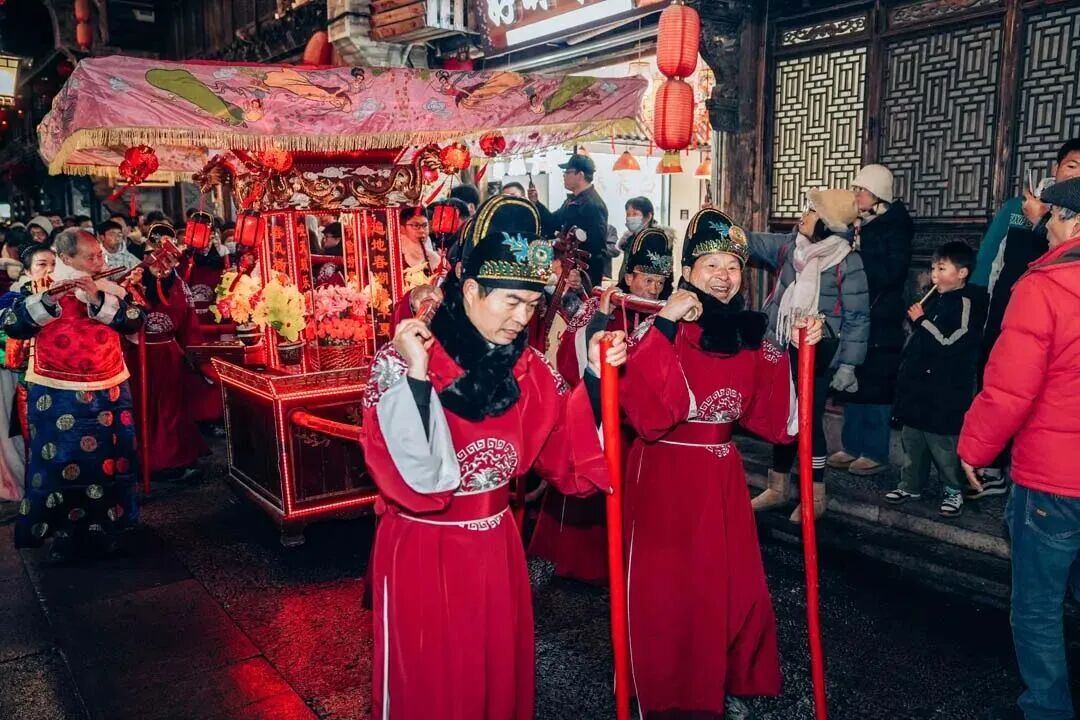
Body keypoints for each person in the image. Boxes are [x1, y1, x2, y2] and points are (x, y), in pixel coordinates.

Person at [360, 195, 625, 719]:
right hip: (425, 548)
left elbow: (565, 451)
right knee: (435, 681)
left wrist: (596, 379)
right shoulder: (406, 357)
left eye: (531, 304)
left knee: (495, 670)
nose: (522, 318)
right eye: (510, 301)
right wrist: (417, 377)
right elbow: (413, 475)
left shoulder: (530, 368)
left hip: (497, 544)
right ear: (471, 289)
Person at [620, 208, 823, 718]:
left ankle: (728, 678)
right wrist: (666, 322)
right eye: (711, 264)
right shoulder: (660, 326)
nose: (724, 275)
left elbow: (778, 416)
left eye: (733, 265)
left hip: (723, 474)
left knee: (733, 584)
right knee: (671, 588)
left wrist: (806, 346)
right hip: (666, 472)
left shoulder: (749, 334)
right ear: (688, 271)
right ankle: (666, 687)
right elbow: (646, 411)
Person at [959, 176, 1080, 720]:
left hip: (1053, 480)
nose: (1045, 224)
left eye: (1051, 216)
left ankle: (1048, 710)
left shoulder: (1044, 287)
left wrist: (974, 448)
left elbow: (1010, 389)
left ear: (1073, 223)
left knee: (1038, 608)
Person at [530, 226, 673, 585]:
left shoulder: (664, 313)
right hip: (601, 419)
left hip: (638, 427)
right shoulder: (600, 304)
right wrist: (601, 318)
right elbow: (569, 356)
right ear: (629, 276)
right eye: (646, 280)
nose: (653, 289)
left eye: (659, 282)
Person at [3, 229, 145, 560]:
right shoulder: (38, 287)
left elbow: (136, 321)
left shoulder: (112, 287)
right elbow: (12, 325)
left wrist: (97, 298)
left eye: (100, 255)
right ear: (67, 258)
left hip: (109, 387)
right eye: (90, 257)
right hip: (55, 390)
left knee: (111, 460)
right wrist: (48, 301)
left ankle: (106, 528)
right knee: (59, 463)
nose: (99, 261)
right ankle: (64, 534)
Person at [749, 189, 870, 521]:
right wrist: (728, 231)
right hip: (785, 343)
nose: (803, 216)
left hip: (821, 352)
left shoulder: (847, 261)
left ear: (828, 222)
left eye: (811, 211)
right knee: (783, 412)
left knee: (808, 420)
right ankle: (778, 486)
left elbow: (858, 317)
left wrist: (848, 365)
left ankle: (815, 494)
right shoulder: (793, 247)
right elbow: (756, 243)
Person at [968, 139, 1080, 499]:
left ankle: (997, 466)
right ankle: (995, 467)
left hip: (1041, 317)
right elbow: (989, 257)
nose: (1076, 174)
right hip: (1006, 311)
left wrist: (1041, 221)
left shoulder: (1053, 234)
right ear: (1056, 167)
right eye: (1072, 165)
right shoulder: (1018, 207)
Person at [885, 242, 985, 518]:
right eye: (932, 268)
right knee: (913, 440)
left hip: (944, 392)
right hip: (919, 388)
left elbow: (951, 341)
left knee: (943, 445)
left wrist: (921, 321)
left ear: (962, 273)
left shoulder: (965, 302)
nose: (934, 275)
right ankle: (910, 485)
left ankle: (954, 490)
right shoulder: (934, 299)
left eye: (942, 268)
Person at [829, 164, 912, 476]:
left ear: (878, 194)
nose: (856, 195)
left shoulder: (895, 226)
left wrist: (859, 255)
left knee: (877, 381)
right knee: (853, 376)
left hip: (882, 314)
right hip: (858, 310)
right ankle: (851, 445)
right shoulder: (860, 223)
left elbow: (892, 272)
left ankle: (874, 451)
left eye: (861, 190)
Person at [125, 224, 208, 480]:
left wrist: (195, 353)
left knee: (171, 408)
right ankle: (144, 461)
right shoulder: (132, 282)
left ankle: (172, 460)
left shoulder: (179, 285)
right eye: (157, 256)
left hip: (169, 353)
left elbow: (190, 323)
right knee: (142, 407)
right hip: (138, 354)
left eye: (170, 259)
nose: (163, 264)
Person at [529, 153, 609, 287]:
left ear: (580, 175)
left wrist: (585, 278)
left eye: (567, 172)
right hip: (567, 269)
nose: (564, 175)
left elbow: (597, 249)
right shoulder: (572, 201)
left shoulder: (593, 205)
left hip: (580, 277)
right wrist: (536, 203)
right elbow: (553, 222)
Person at [398, 206, 442, 289]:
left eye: (425, 225)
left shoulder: (434, 258)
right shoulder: (396, 257)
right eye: (415, 225)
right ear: (402, 228)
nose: (422, 230)